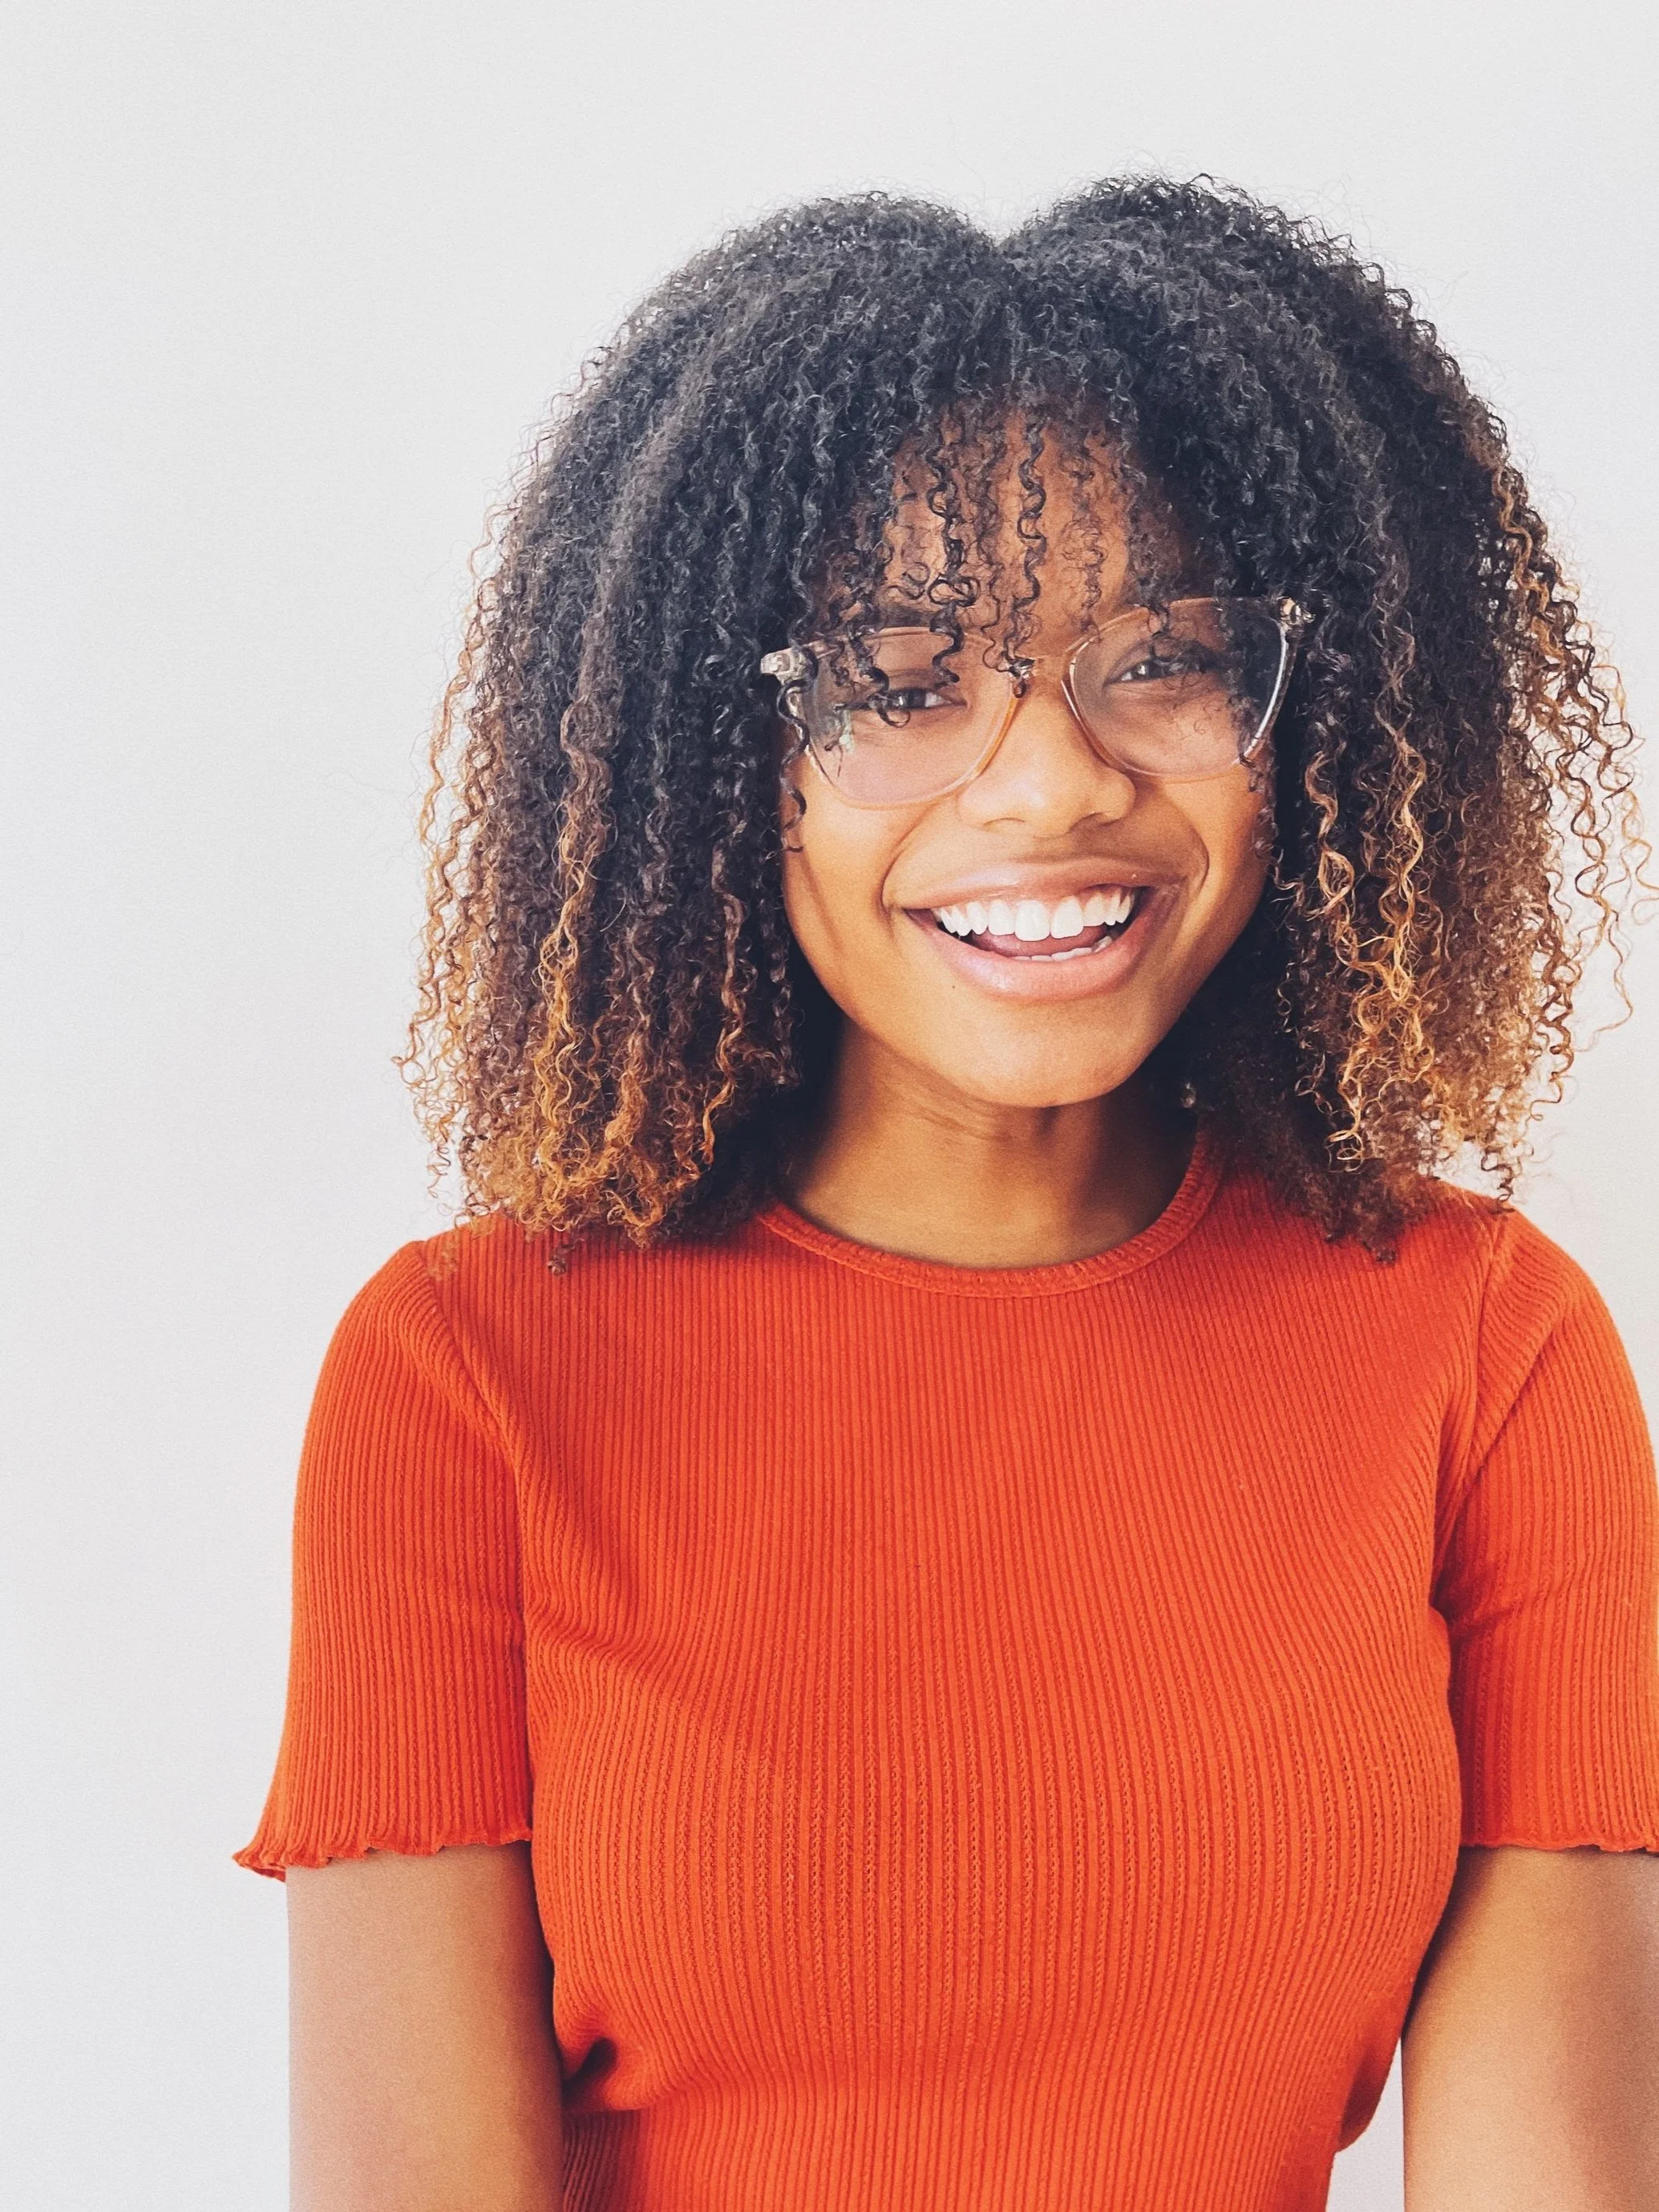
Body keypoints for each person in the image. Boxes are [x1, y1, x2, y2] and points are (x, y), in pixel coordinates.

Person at [239, 179, 1659, 2211]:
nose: (1048, 781)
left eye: (1161, 659)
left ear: (1315, 724)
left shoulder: (1479, 1345)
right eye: (902, 685)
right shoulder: (469, 1373)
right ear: (718, 755)